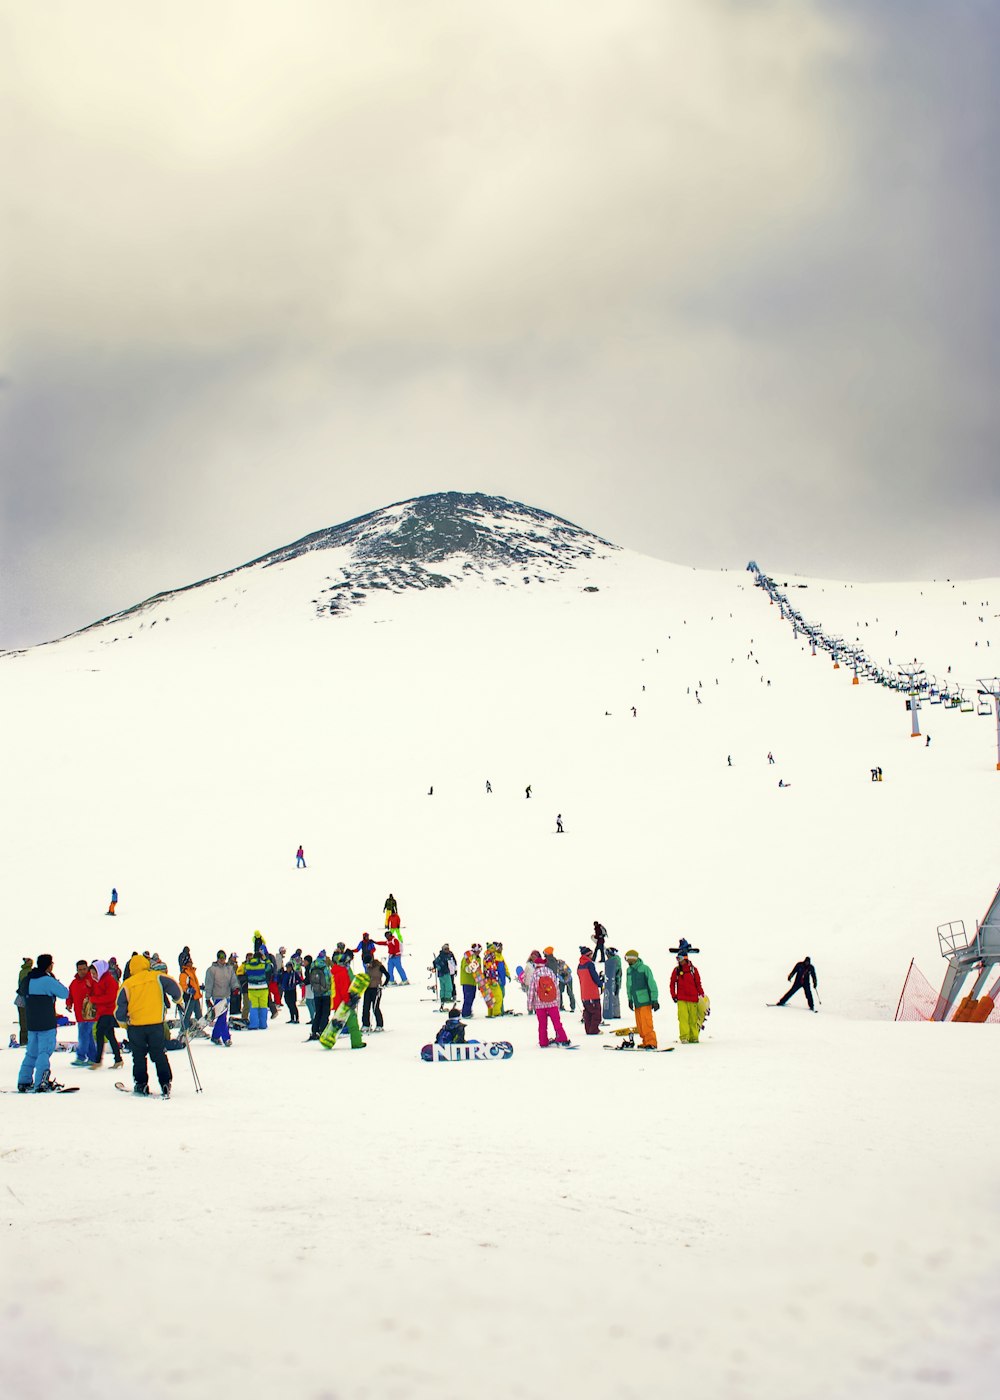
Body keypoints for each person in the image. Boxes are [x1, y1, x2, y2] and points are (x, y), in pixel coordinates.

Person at [115, 954, 181, 1097]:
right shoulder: (157, 977)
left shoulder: (127, 984)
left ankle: (141, 1084)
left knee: (138, 1057)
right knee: (158, 1054)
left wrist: (124, 1024)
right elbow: (175, 988)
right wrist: (178, 999)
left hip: (136, 1026)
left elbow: (119, 1010)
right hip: (155, 1024)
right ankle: (165, 1082)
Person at [17, 954, 70, 1092]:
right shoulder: (47, 980)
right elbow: (65, 993)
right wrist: (53, 980)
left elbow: (21, 994)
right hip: (46, 1022)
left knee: (31, 1053)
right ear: (49, 965)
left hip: (32, 1023)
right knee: (44, 1052)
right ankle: (41, 1081)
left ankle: (24, 1080)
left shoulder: (28, 979)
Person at [520, 951, 571, 1048]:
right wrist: (558, 1002)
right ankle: (563, 1038)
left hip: (540, 1004)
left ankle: (543, 1042)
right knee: (557, 1023)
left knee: (542, 1025)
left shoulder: (535, 974)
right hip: (552, 1003)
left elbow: (531, 990)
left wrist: (530, 1006)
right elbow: (556, 988)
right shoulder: (550, 972)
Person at [89, 959, 124, 1069]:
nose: (93, 976)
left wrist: (94, 1000)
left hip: (109, 1012)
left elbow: (111, 997)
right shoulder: (98, 981)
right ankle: (118, 1059)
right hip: (103, 1012)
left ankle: (98, 1060)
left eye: (94, 973)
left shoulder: (109, 980)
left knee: (100, 1034)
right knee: (110, 1035)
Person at [624, 950, 659, 1049]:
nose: (626, 961)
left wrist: (654, 999)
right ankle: (645, 1041)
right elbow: (628, 986)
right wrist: (630, 999)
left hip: (645, 1001)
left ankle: (651, 1042)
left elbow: (652, 984)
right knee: (640, 1025)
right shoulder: (629, 971)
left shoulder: (645, 969)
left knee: (646, 1023)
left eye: (627, 958)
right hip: (636, 1002)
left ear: (632, 958)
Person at [66, 959, 99, 1065]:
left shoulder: (93, 980)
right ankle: (92, 1058)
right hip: (79, 1015)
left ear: (87, 968)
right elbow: (70, 995)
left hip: (90, 1014)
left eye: (84, 969)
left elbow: (98, 993)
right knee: (87, 1035)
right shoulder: (74, 983)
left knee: (83, 1035)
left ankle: (81, 1057)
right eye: (80, 969)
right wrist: (69, 1003)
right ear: (77, 970)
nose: (82, 971)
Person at [669, 950, 706, 1044]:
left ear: (685, 958)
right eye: (677, 958)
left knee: (693, 1019)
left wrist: (702, 995)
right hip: (681, 999)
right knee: (683, 1018)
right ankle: (684, 1037)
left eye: (680, 958)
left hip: (693, 999)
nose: (678, 961)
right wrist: (674, 995)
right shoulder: (676, 970)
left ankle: (694, 1037)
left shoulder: (693, 970)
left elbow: (698, 983)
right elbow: (672, 983)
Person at [204, 950, 239, 1045]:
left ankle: (215, 1036)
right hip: (217, 997)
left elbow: (233, 980)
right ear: (217, 958)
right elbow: (209, 984)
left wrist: (235, 988)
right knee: (222, 1018)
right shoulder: (212, 970)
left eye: (223, 958)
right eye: (220, 958)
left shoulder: (229, 969)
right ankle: (226, 1038)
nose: (222, 960)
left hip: (226, 996)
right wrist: (207, 998)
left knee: (222, 1018)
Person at [329, 959, 366, 1049]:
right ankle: (357, 1043)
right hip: (344, 1003)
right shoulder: (342, 973)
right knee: (353, 1023)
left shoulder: (334, 972)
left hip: (336, 1002)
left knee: (337, 1023)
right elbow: (344, 988)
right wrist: (348, 1000)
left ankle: (328, 1039)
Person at [577, 946, 604, 1035]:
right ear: (588, 955)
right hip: (592, 992)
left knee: (588, 1012)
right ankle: (594, 1030)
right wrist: (600, 983)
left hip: (584, 993)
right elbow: (594, 977)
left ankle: (588, 1029)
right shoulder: (590, 964)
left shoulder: (580, 965)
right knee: (596, 1013)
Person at [244, 945, 271, 1030]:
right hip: (263, 988)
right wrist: (265, 958)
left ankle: (254, 1024)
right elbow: (269, 967)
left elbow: (245, 971)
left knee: (254, 1006)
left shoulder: (248, 965)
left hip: (252, 988)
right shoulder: (263, 964)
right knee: (263, 1006)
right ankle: (263, 1024)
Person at [308, 952, 332, 1040]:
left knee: (318, 1012)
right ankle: (323, 1030)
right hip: (326, 993)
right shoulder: (324, 966)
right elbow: (328, 979)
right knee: (325, 1013)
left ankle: (314, 1030)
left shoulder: (313, 966)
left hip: (316, 993)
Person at [178, 952, 202, 1031]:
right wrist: (188, 990)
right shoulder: (184, 973)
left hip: (195, 996)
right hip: (189, 997)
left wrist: (200, 988)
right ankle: (184, 1029)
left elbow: (194, 983)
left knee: (199, 1014)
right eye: (189, 962)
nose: (191, 963)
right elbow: (182, 984)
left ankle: (199, 1028)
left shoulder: (192, 972)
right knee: (188, 1014)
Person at [362, 955, 387, 1031]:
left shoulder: (379, 966)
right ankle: (366, 1024)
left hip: (376, 989)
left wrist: (383, 985)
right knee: (366, 1007)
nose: (367, 965)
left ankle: (379, 1025)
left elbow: (387, 975)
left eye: (368, 963)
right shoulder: (368, 968)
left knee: (375, 1007)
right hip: (368, 989)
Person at [433, 944, 457, 1009]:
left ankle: (444, 997)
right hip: (444, 973)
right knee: (447, 986)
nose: (447, 950)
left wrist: (455, 970)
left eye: (448, 949)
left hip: (447, 973)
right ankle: (446, 997)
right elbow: (435, 962)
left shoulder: (450, 954)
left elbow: (454, 962)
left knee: (447, 985)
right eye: (446, 949)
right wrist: (438, 967)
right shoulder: (442, 956)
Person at [15, 956, 32, 1046]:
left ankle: (23, 1040)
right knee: (25, 1022)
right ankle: (25, 1041)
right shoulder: (29, 972)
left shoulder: (22, 971)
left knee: (23, 1021)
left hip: (20, 999)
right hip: (24, 1000)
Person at [459, 948, 481, 1018]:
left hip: (473, 982)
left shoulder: (477, 958)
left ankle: (468, 1011)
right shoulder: (467, 957)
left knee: (471, 997)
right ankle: (465, 1013)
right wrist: (471, 967)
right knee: (468, 997)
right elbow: (466, 969)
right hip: (467, 981)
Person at [603, 947, 622, 1021]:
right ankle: (614, 1012)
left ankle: (616, 1013)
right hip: (615, 981)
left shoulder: (614, 961)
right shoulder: (615, 960)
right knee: (614, 996)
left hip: (615, 981)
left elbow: (614, 972)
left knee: (615, 996)